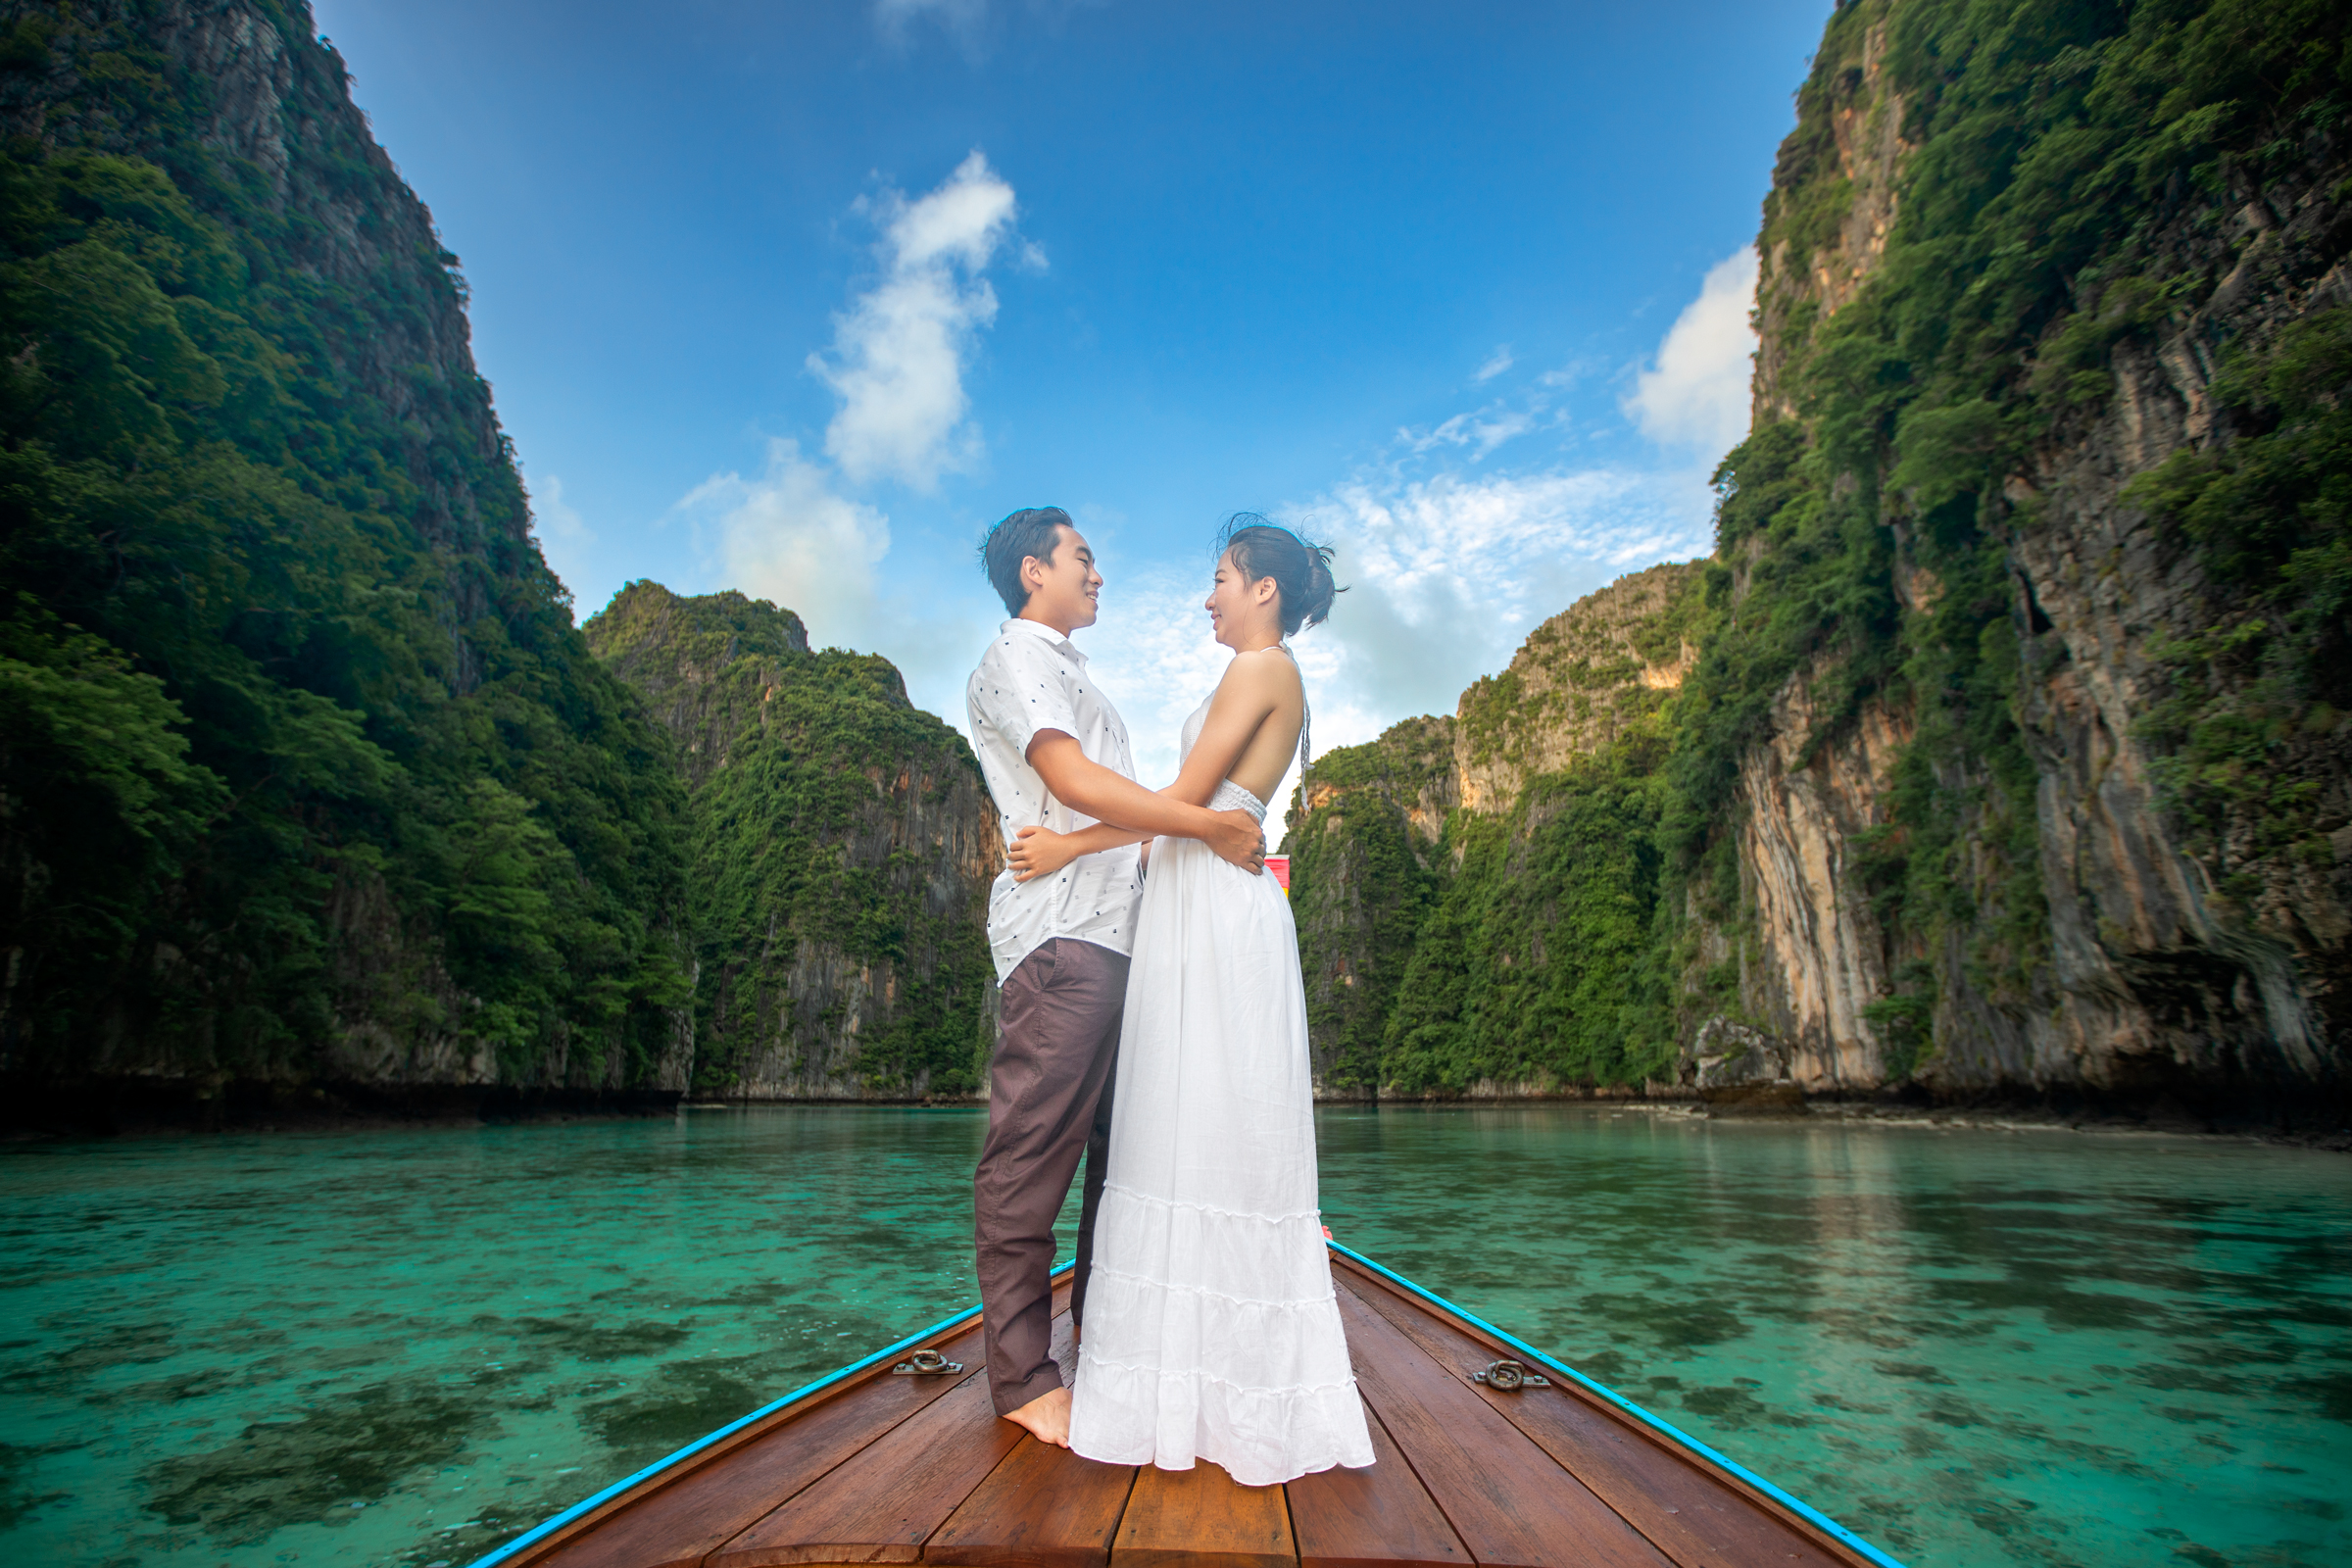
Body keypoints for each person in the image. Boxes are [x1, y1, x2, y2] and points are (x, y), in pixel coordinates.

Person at [1008, 514, 1376, 1487]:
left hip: (1212, 907)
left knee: (1202, 1126)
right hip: (1198, 899)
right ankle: (1203, 1376)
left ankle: (1201, 1381)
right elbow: (1194, 814)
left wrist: (1066, 846)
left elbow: (1186, 799)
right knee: (1199, 1127)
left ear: (1262, 587)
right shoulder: (1260, 672)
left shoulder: (1262, 669)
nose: (1207, 593)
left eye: (1219, 575)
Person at [964, 506, 1269, 1450]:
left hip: (1119, 936)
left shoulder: (1070, 670)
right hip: (1061, 940)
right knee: (1034, 1152)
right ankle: (1020, 1377)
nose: (1098, 574)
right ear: (1033, 570)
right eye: (1082, 558)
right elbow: (1076, 779)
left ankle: (1104, 1333)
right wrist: (1210, 827)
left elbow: (1105, 807)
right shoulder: (1015, 662)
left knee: (1120, 1152)